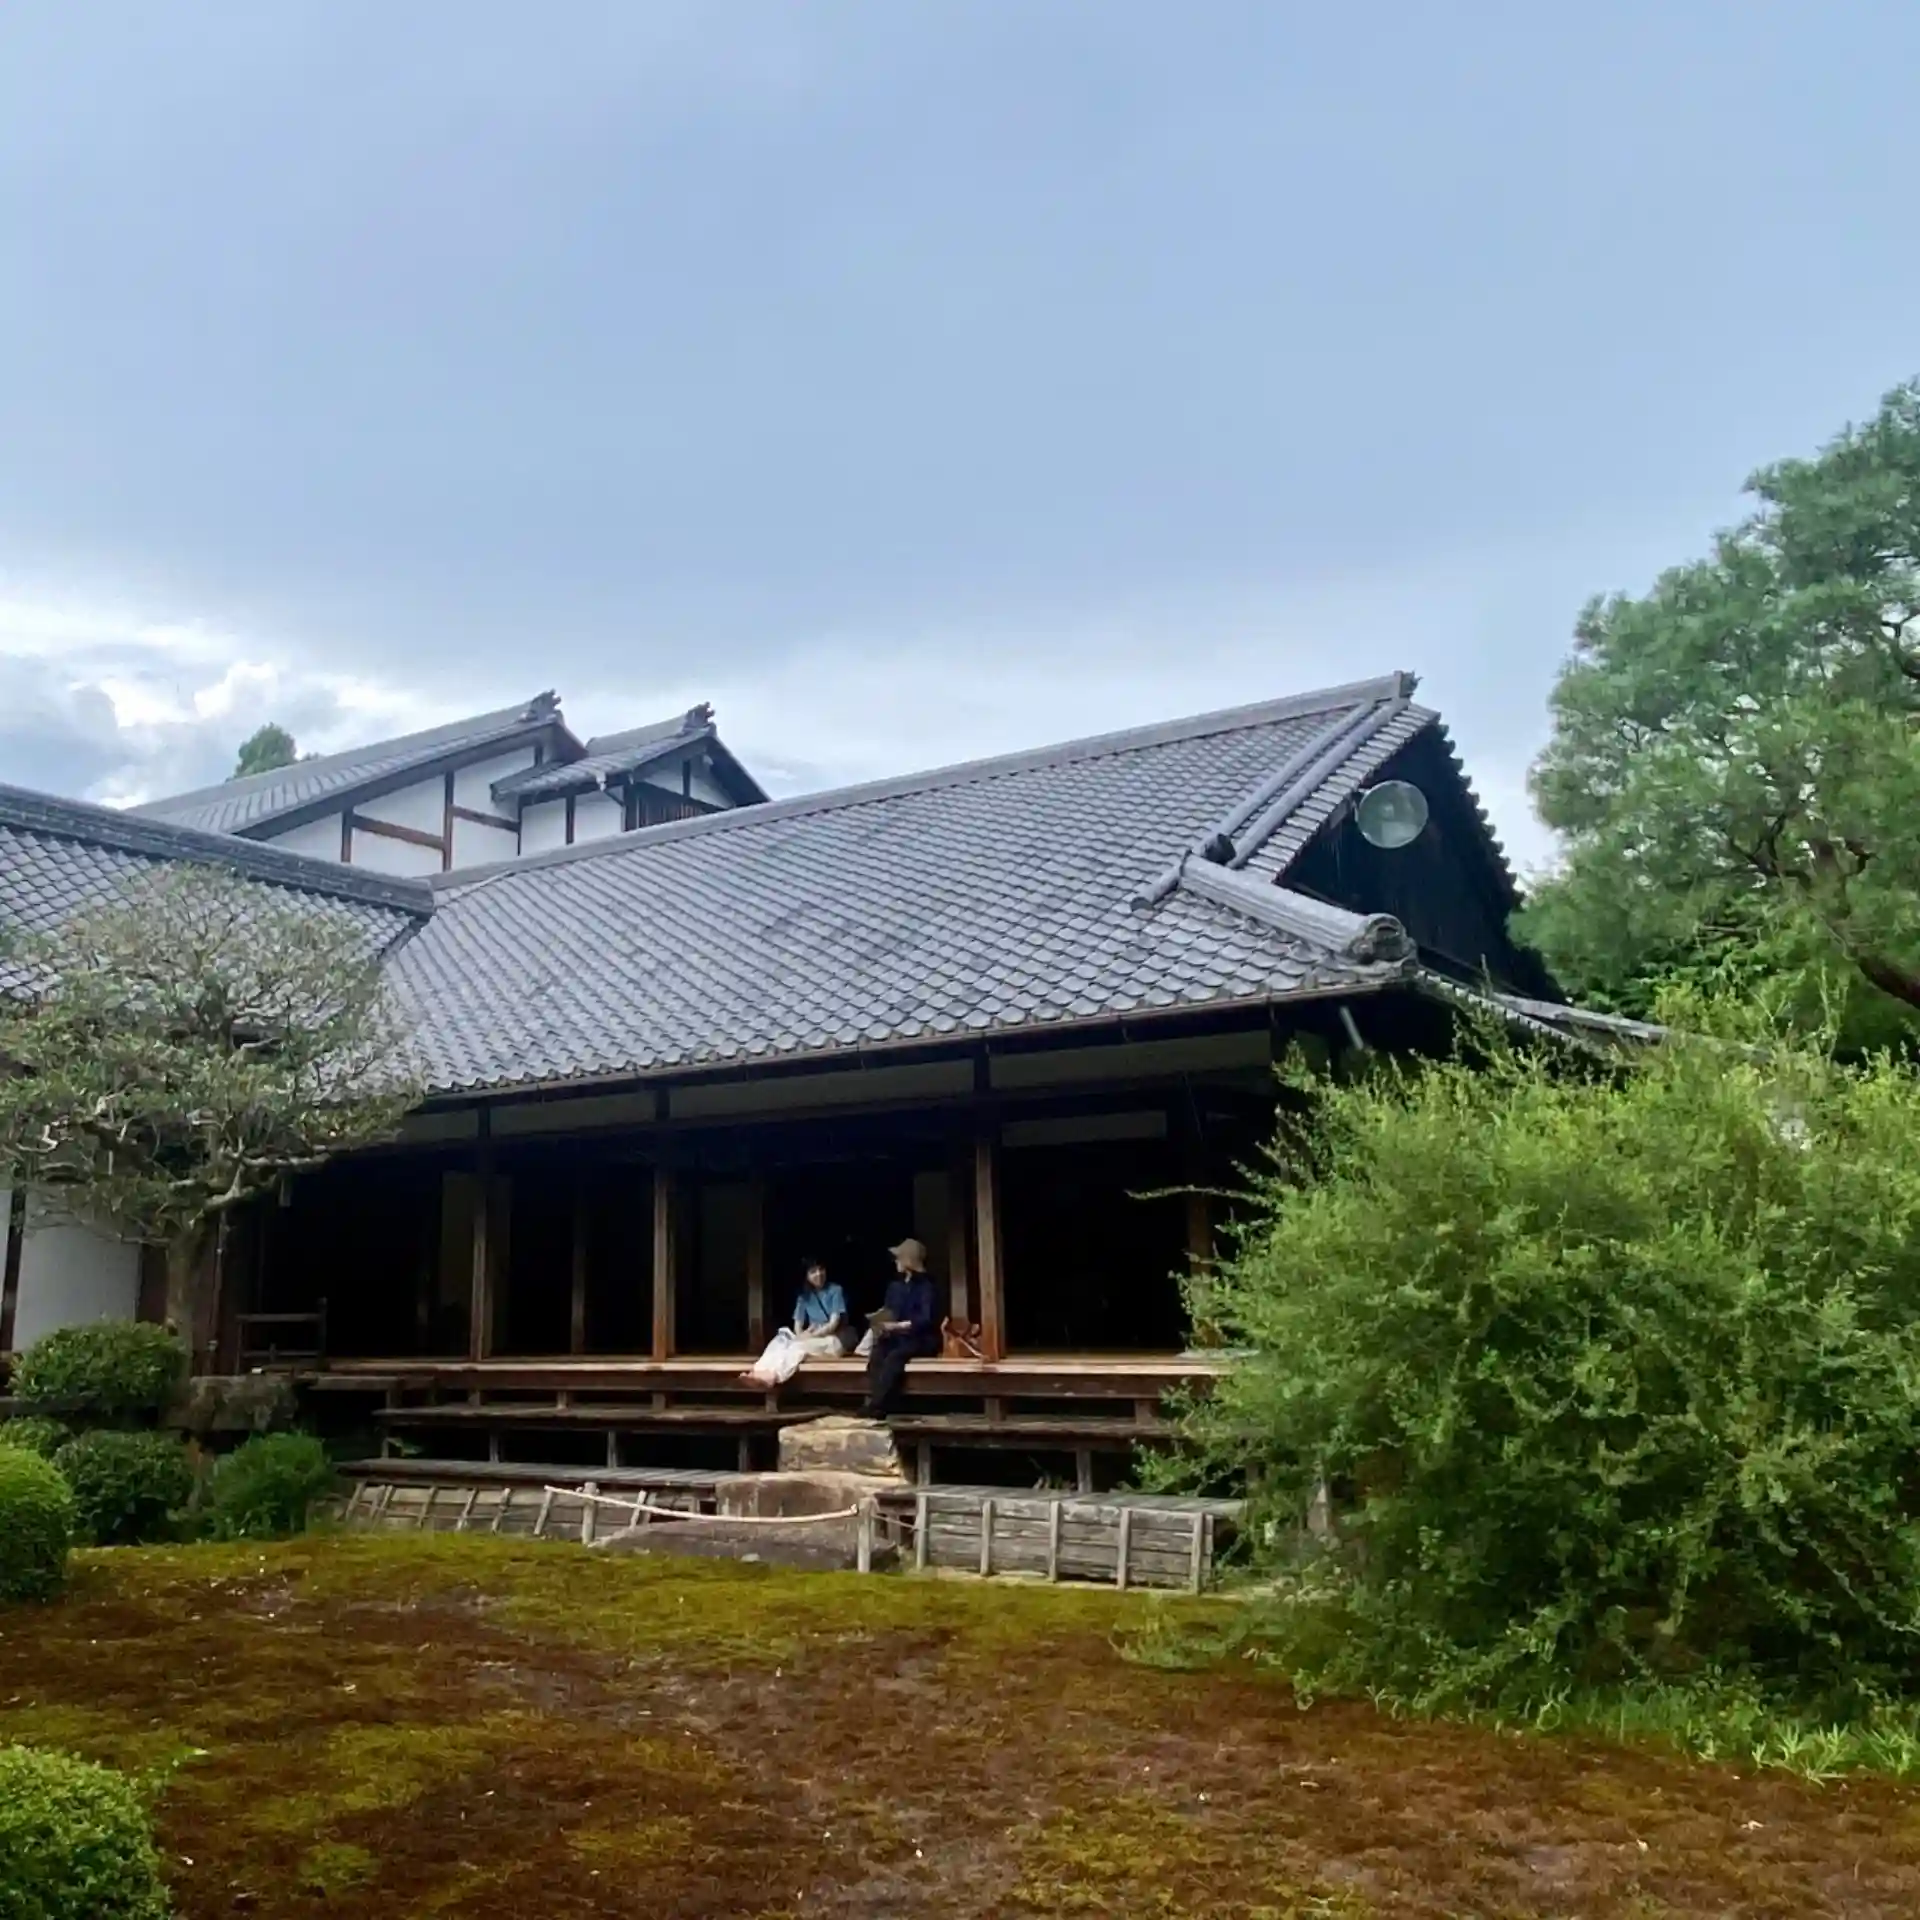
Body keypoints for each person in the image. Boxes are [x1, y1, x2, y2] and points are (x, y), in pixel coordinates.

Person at [861, 1237, 941, 1417]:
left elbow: (925, 1319)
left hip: (920, 1338)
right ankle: (878, 1401)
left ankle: (877, 1405)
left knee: (894, 1358)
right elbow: (890, 1311)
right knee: (878, 1353)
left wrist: (899, 1326)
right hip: (897, 1336)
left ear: (908, 1261)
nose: (896, 1261)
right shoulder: (895, 1287)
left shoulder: (926, 1288)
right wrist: (880, 1320)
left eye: (899, 1258)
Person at [741, 1259, 848, 1387]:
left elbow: (833, 1323)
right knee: (780, 1341)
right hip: (811, 1338)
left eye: (821, 1269)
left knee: (797, 1348)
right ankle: (757, 1371)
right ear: (806, 1276)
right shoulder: (804, 1296)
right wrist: (801, 1335)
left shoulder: (835, 1290)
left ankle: (775, 1375)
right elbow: (797, 1326)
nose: (819, 1274)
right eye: (813, 1271)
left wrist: (809, 1336)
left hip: (832, 1340)